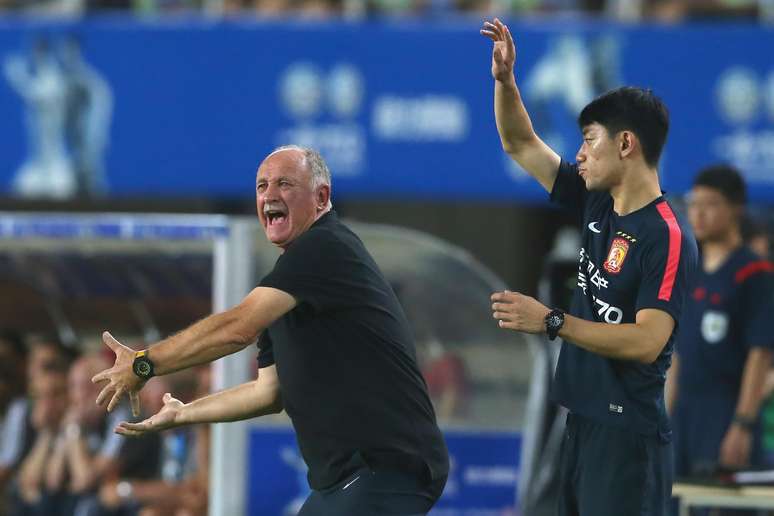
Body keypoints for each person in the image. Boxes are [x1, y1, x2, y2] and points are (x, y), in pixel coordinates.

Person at [92, 145, 449, 515]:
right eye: (262, 186)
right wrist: (184, 413)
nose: (269, 196)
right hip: (341, 481)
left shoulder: (325, 247)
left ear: (321, 197)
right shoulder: (287, 284)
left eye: (284, 184)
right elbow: (268, 391)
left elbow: (237, 328)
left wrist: (144, 364)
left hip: (387, 468)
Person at [481, 18, 697, 516]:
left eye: (588, 139)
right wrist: (506, 83)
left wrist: (552, 321)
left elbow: (648, 342)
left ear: (626, 145)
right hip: (582, 423)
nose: (578, 153)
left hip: (627, 440)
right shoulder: (596, 201)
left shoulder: (666, 234)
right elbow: (520, 143)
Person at [666, 166, 774, 514]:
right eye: (694, 203)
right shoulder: (689, 268)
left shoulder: (754, 273)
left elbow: (760, 355)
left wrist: (742, 425)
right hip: (684, 414)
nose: (697, 213)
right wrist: (663, 418)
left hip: (725, 413)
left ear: (735, 209)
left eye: (710, 204)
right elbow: (678, 352)